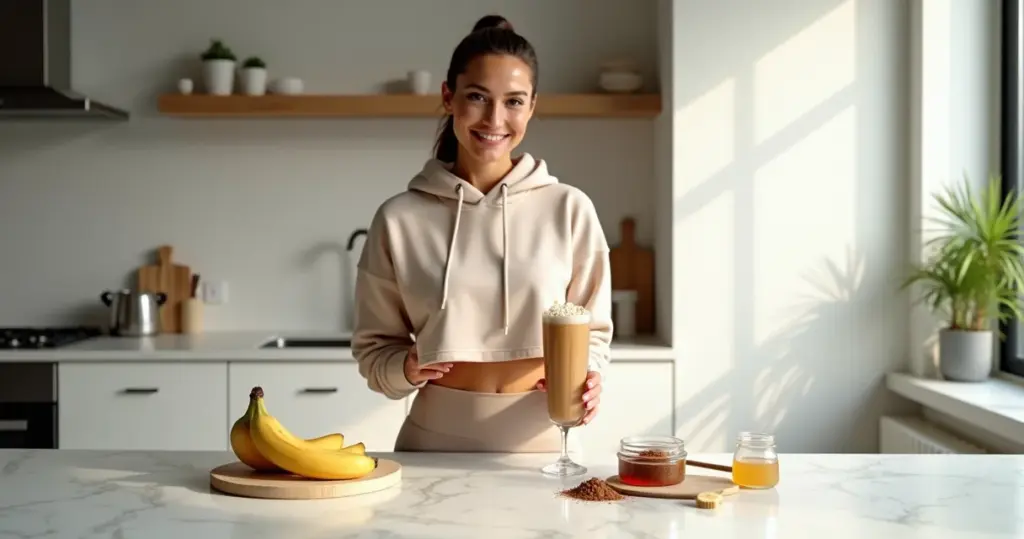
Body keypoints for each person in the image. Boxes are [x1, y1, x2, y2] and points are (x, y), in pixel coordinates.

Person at [352, 14, 613, 452]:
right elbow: (375, 349)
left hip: (546, 444)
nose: (495, 118)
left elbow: (594, 332)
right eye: (477, 97)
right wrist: (406, 369)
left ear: (532, 106)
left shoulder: (570, 208)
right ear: (448, 96)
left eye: (514, 101)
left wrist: (589, 377)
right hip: (431, 445)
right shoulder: (398, 219)